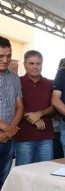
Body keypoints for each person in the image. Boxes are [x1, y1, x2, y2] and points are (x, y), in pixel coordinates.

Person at [14, 50, 55, 165]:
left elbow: (55, 107)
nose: (35, 67)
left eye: (38, 63)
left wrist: (39, 114)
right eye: (31, 63)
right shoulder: (16, 82)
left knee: (45, 173)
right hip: (23, 136)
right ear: (24, 64)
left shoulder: (50, 83)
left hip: (46, 136)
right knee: (24, 174)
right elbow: (12, 106)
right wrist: (29, 117)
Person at [0, 36, 23, 189]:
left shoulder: (14, 77)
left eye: (9, 55)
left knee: (4, 177)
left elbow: (20, 106)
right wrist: (7, 129)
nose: (6, 60)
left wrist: (10, 131)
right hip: (6, 133)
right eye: (1, 56)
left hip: (7, 139)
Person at [52, 58, 65, 159]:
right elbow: (51, 109)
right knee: (57, 160)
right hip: (56, 131)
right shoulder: (53, 84)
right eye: (64, 68)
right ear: (58, 70)